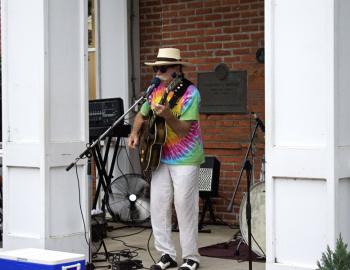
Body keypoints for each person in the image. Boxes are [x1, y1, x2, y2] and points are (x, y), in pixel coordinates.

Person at [128, 48, 204, 270]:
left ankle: (191, 257)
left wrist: (168, 115)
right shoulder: (154, 91)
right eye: (156, 68)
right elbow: (142, 115)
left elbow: (182, 130)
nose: (158, 72)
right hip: (159, 155)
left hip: (186, 158)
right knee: (159, 206)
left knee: (184, 206)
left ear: (177, 70)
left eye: (163, 68)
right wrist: (134, 133)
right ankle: (166, 255)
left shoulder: (191, 93)